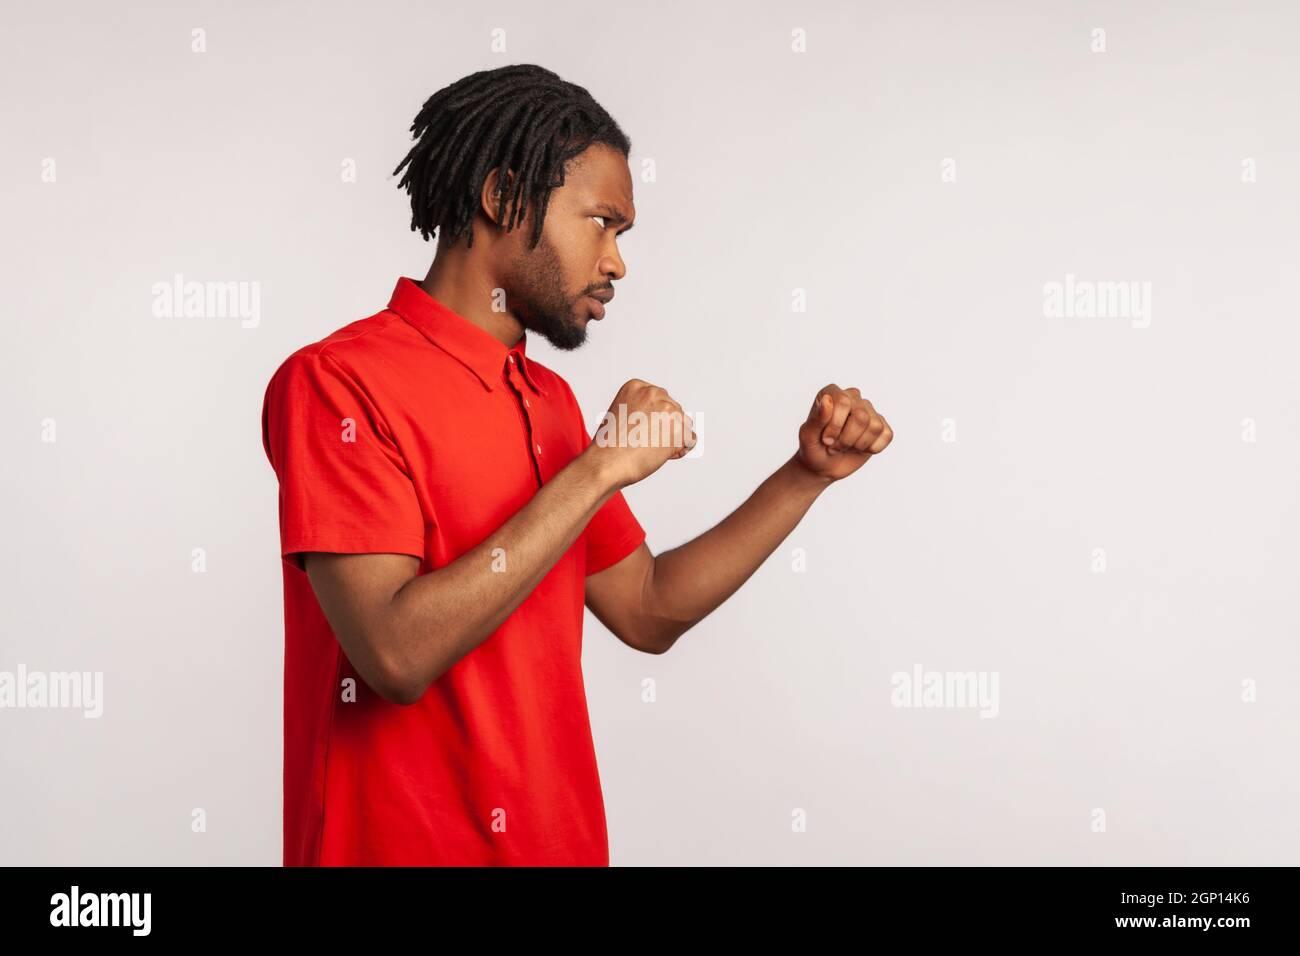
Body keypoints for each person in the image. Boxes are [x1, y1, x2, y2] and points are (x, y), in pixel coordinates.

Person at [260, 63, 893, 866]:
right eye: (602, 222)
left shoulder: (547, 400)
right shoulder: (337, 382)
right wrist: (598, 470)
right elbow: (392, 655)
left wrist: (805, 475)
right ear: (502, 197)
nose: (617, 262)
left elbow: (648, 608)